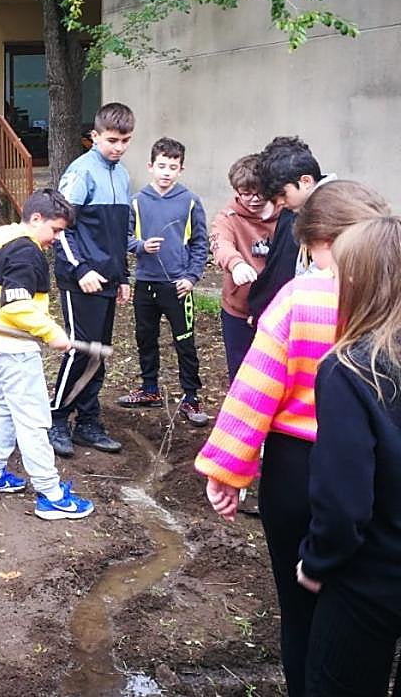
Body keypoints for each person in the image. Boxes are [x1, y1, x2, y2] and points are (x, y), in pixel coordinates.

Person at [194, 180, 390, 697]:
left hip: (299, 472)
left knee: (299, 607)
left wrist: (228, 470)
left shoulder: (301, 297)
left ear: (322, 239)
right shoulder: (391, 300)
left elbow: (256, 387)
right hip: (383, 476)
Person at [296, 216, 401, 696]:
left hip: (367, 582)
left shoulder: (350, 371)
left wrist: (317, 563)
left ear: (359, 283)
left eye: (336, 275)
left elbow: (343, 505)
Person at [0, 189, 95, 520]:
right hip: (9, 346)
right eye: (55, 230)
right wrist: (51, 333)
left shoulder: (7, 241)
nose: (57, 238)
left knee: (7, 407)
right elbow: (16, 305)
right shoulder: (26, 252)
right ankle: (50, 495)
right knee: (34, 419)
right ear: (36, 219)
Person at [48, 102, 135, 457]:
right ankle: (56, 419)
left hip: (109, 280)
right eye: (112, 140)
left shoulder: (123, 174)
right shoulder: (80, 173)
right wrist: (80, 269)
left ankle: (88, 422)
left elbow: (119, 232)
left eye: (125, 140)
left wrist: (124, 275)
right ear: (95, 136)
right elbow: (59, 229)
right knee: (79, 351)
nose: (118, 147)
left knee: (98, 354)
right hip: (79, 279)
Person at [119, 137, 209, 426]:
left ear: (181, 169)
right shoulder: (136, 201)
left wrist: (191, 277)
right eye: (161, 166)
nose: (166, 172)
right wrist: (141, 246)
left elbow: (200, 243)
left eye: (173, 167)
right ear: (150, 167)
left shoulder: (191, 201)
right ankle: (149, 389)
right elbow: (124, 237)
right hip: (145, 283)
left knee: (185, 342)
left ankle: (192, 397)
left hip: (178, 287)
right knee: (145, 339)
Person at [246, 135, 333, 326]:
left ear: (306, 181)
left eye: (282, 194)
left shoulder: (336, 211)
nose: (280, 203)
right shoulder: (301, 209)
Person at [209, 155, 280, 382]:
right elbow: (221, 243)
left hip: (276, 311)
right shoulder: (227, 217)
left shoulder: (286, 216)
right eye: (246, 193)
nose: (254, 199)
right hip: (238, 311)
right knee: (240, 375)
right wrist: (235, 263)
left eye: (260, 192)